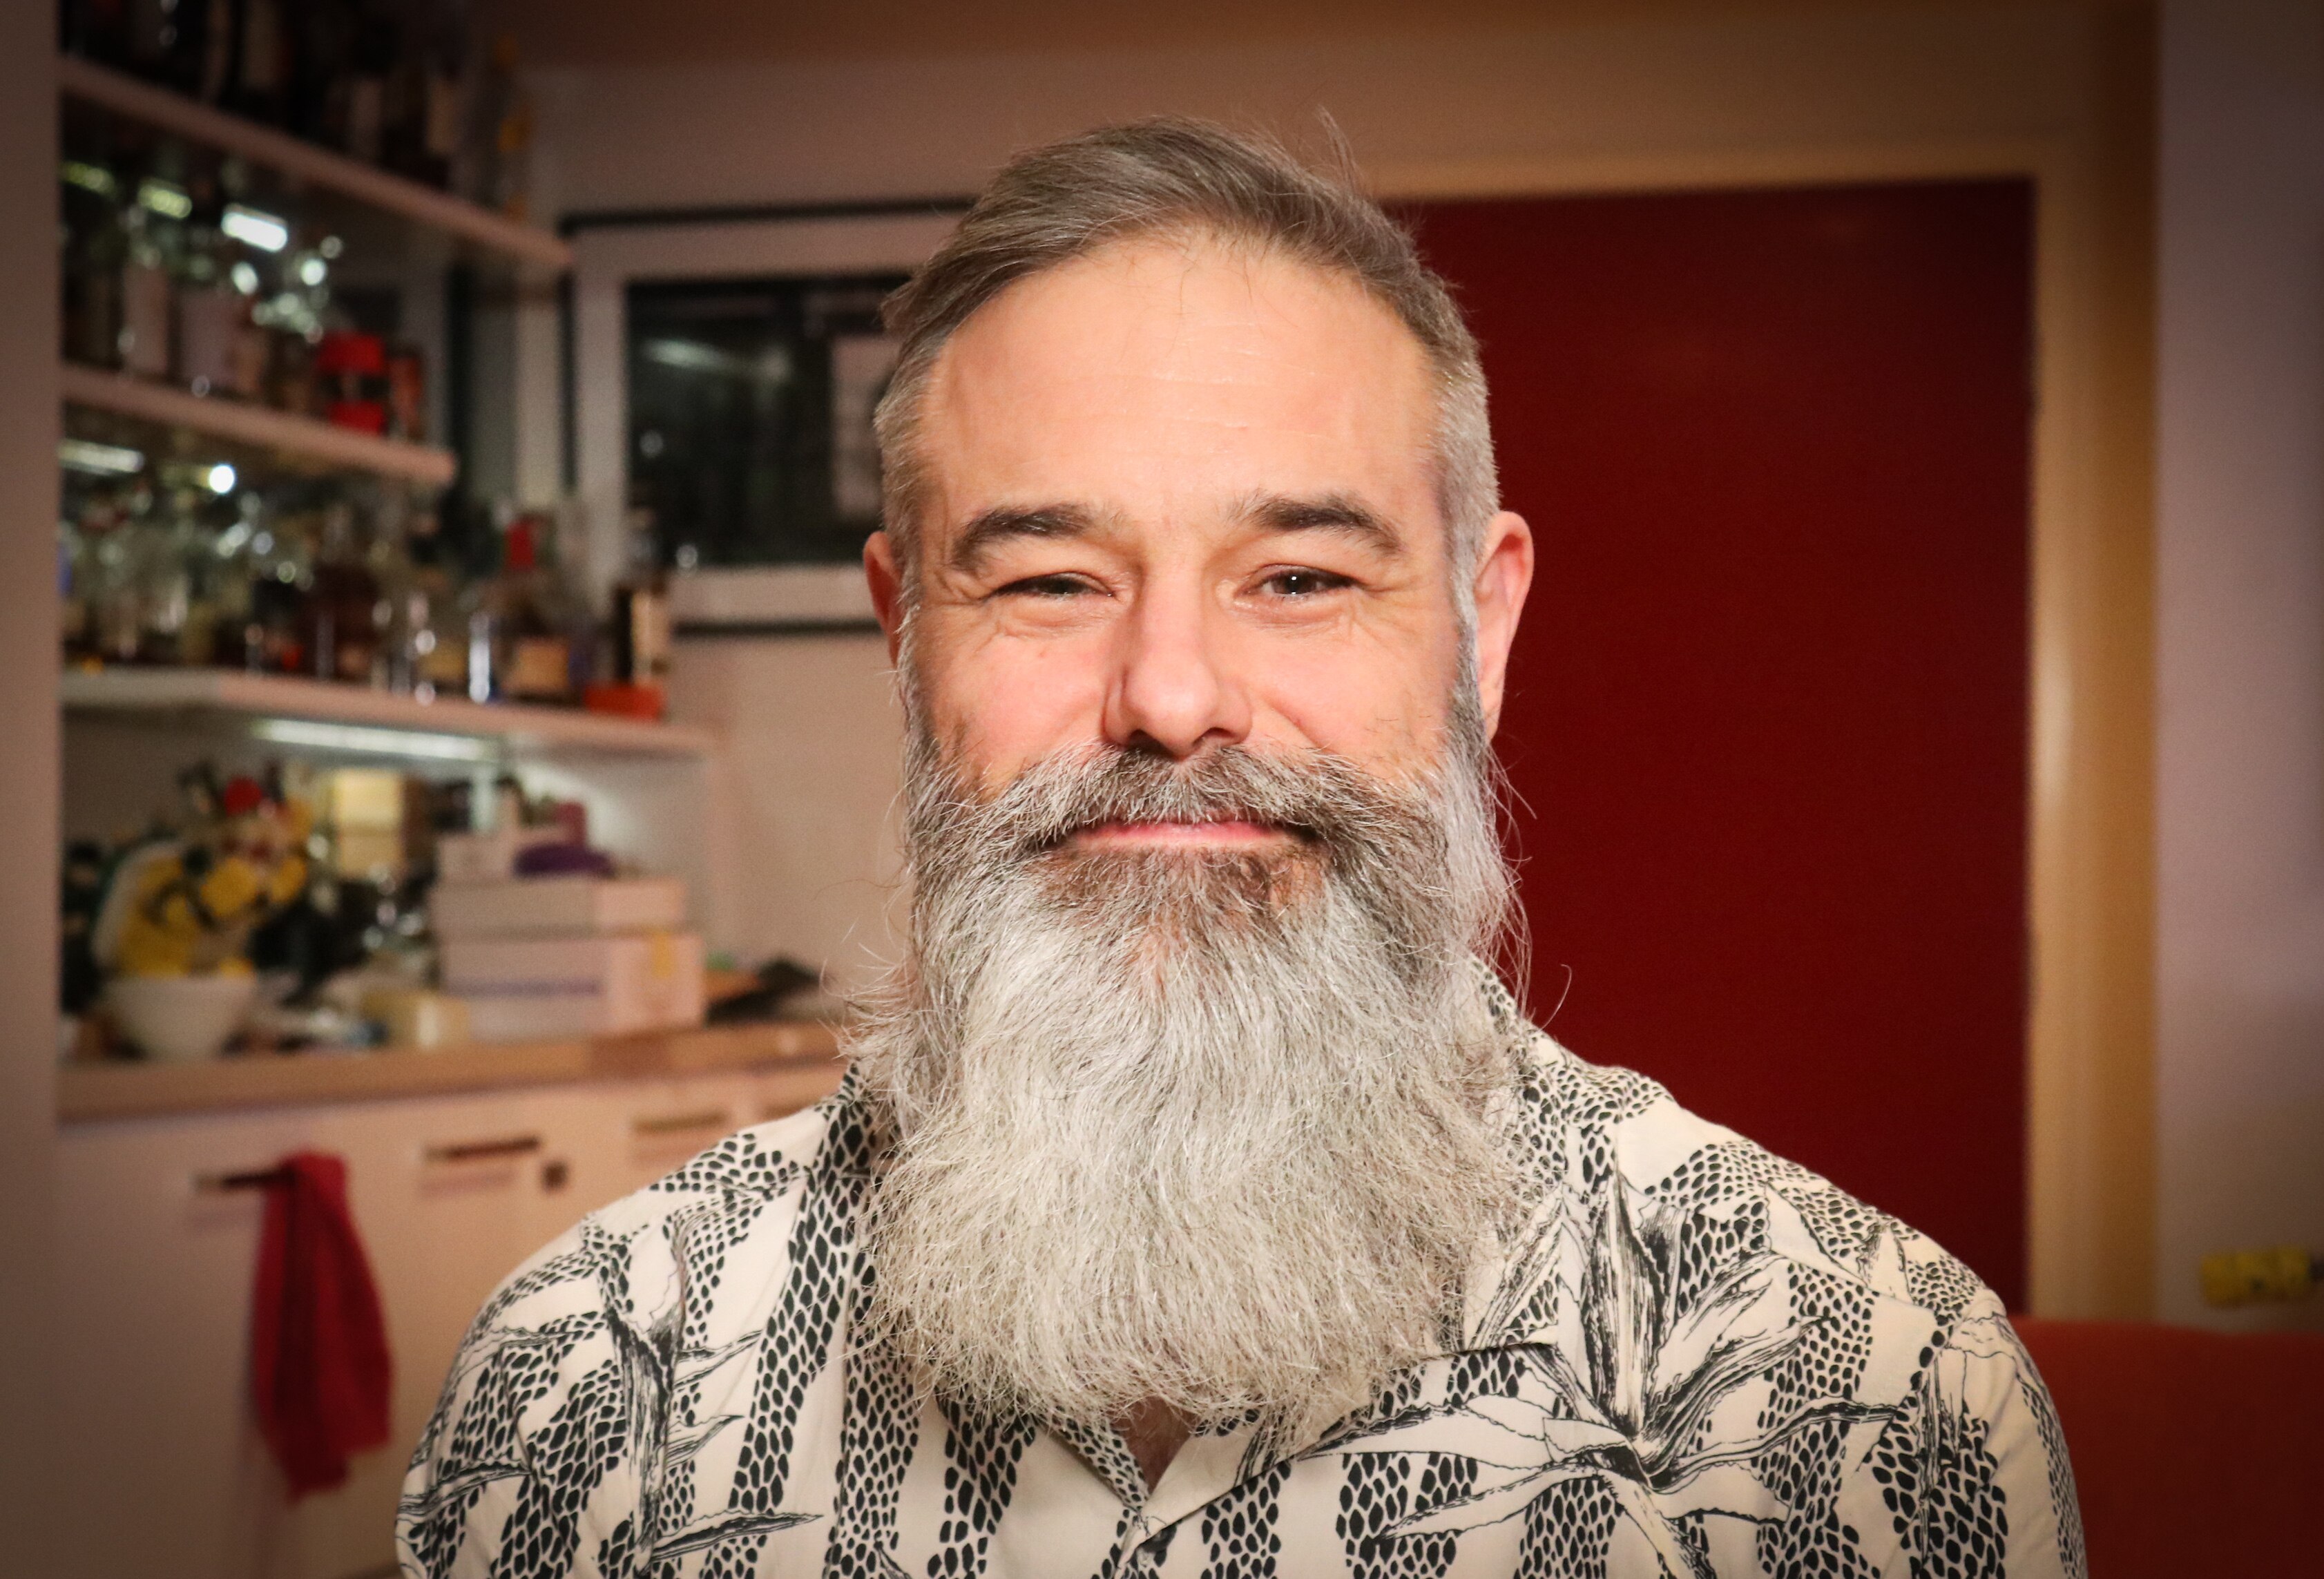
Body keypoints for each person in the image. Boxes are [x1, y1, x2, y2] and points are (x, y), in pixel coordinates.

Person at [397, 120, 2082, 1579]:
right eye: (1051, 579)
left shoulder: (1857, 1388)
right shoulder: (586, 1385)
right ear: (907, 639)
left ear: (1480, 630)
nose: (1171, 697)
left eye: (1300, 578)